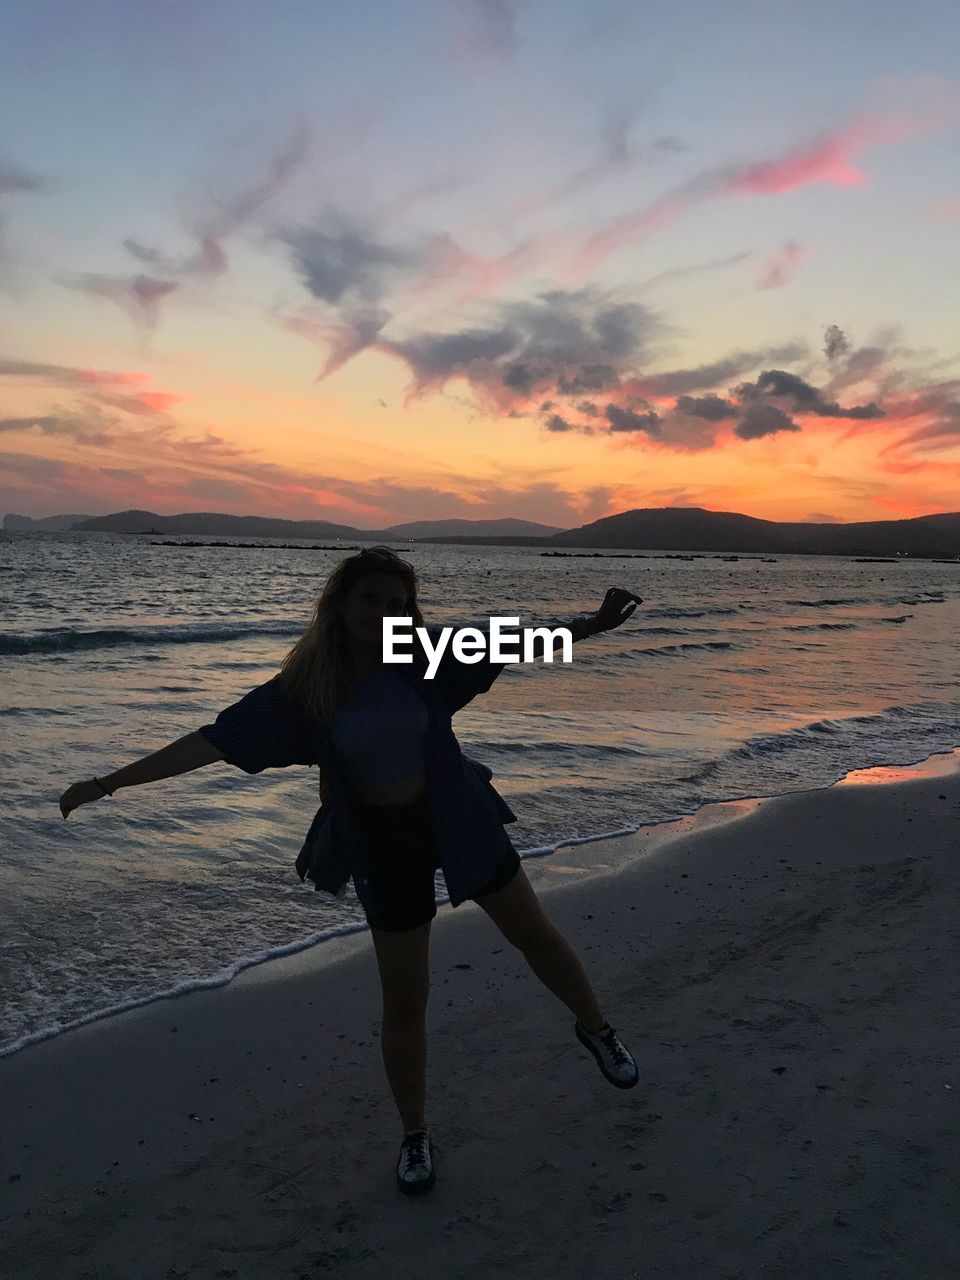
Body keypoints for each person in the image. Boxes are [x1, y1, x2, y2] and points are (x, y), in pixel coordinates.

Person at [59, 547, 643, 1196]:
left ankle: (599, 1032)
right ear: (340, 603)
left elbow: (520, 638)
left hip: (457, 814)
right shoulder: (309, 689)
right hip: (383, 843)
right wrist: (109, 783)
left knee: (536, 936)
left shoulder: (426, 655)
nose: (385, 613)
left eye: (398, 604)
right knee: (406, 996)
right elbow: (213, 742)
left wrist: (594, 624)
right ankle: (415, 1135)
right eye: (371, 599)